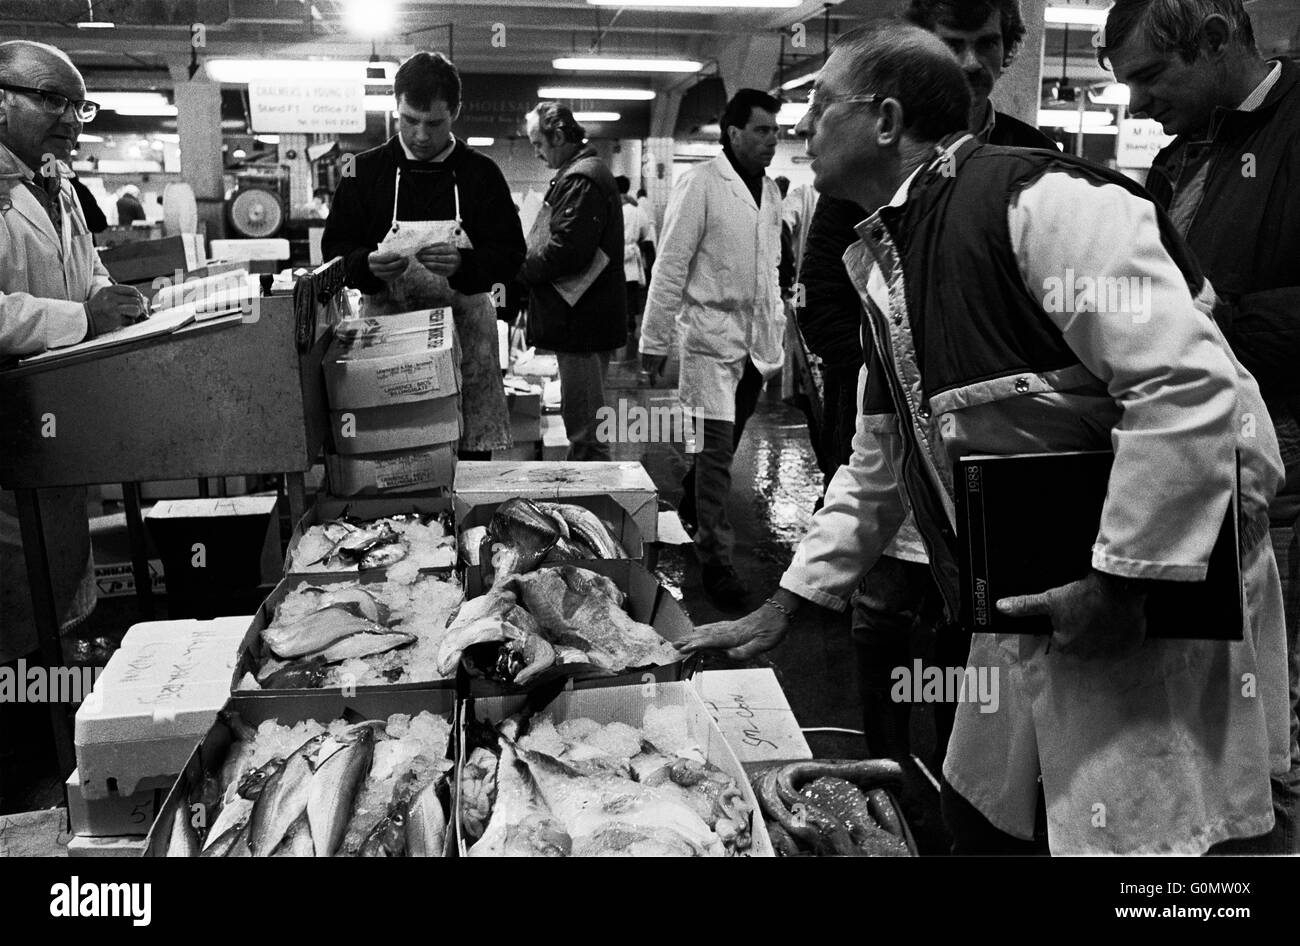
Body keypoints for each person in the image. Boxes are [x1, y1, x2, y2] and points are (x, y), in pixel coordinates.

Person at [678, 23, 1290, 856]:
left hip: (1154, 596)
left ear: (886, 120)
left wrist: (1119, 585)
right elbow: (880, 460)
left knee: (1154, 846)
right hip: (1034, 594)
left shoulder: (1044, 203)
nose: (802, 130)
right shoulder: (884, 262)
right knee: (985, 817)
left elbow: (1185, 387)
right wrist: (793, 597)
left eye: (818, 108)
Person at [797, 0, 1060, 766]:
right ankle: (895, 771)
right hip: (929, 483)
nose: (972, 63)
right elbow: (874, 440)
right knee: (890, 619)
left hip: (1041, 521)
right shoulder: (872, 223)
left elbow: (1187, 392)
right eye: (954, 45)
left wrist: (1121, 575)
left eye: (987, 44)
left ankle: (950, 784)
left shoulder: (1036, 185)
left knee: (978, 655)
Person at [1100, 0, 1300, 856]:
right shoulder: (1184, 154)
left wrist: (1222, 320)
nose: (1140, 105)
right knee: (1195, 685)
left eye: (1152, 76)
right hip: (1189, 442)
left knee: (1267, 686)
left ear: (1217, 40)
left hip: (1277, 442)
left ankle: (1255, 858)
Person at [0, 40, 145, 758]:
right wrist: (81, 318)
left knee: (59, 605)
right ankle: (25, 766)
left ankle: (60, 751)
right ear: (1, 97)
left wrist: (105, 297)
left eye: (77, 104)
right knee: (13, 620)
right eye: (51, 99)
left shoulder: (56, 184)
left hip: (57, 425)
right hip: (6, 433)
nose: (70, 119)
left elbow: (83, 276)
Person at [322, 51, 524, 455]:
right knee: (397, 458)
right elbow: (334, 251)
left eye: (434, 123)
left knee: (466, 466)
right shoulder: (363, 173)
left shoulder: (481, 174)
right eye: (409, 120)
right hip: (387, 345)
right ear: (396, 108)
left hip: (466, 346)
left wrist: (467, 265)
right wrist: (365, 264)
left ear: (456, 113)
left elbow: (511, 253)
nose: (419, 135)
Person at [639, 89, 785, 610]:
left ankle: (691, 500)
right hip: (707, 344)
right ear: (733, 132)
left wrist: (780, 330)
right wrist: (654, 340)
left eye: (776, 130)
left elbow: (770, 271)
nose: (773, 140)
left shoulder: (770, 192)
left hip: (754, 349)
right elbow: (671, 265)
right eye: (763, 130)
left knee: (714, 455)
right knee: (718, 456)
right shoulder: (699, 184)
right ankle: (715, 563)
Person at [519, 103, 626, 461]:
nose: (536, 152)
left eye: (539, 143)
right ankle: (589, 502)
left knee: (586, 432)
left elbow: (567, 252)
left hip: (582, 325)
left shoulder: (581, 179)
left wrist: (521, 267)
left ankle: (592, 510)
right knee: (585, 425)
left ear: (559, 136)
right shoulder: (582, 174)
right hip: (585, 323)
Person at [614, 174, 654, 356]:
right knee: (631, 291)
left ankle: (617, 321)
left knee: (617, 290)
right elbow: (645, 231)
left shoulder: (613, 207)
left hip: (614, 254)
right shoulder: (636, 209)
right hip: (631, 252)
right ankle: (631, 321)